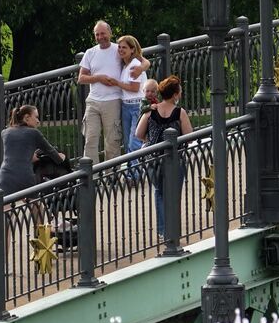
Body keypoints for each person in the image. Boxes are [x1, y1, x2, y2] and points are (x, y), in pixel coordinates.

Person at [135, 76, 193, 236]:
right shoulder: (179, 112)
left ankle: (163, 230)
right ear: (175, 94)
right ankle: (173, 231)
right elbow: (189, 135)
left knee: (159, 192)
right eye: (179, 90)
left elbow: (138, 133)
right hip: (175, 158)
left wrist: (150, 139)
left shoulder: (150, 111)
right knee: (173, 194)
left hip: (154, 159)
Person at [77, 20, 125, 162]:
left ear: (110, 33)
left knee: (112, 141)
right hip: (93, 101)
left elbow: (138, 60)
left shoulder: (119, 50)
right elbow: (81, 78)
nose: (100, 37)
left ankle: (111, 175)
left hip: (113, 100)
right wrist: (98, 78)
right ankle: (92, 175)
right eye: (97, 34)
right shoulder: (90, 53)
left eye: (103, 33)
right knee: (90, 139)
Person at [0, 103, 66, 197]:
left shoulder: (5, 133)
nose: (38, 121)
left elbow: (17, 151)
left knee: (4, 207)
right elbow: (50, 151)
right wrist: (61, 158)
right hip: (24, 176)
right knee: (35, 204)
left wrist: (30, 156)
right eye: (36, 117)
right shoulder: (34, 133)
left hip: (5, 176)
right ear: (27, 117)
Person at [116, 35, 148, 155]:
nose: (121, 50)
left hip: (136, 105)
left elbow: (134, 88)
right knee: (127, 141)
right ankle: (132, 171)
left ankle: (135, 173)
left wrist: (116, 83)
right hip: (126, 106)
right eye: (119, 47)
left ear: (132, 49)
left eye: (124, 47)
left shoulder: (134, 65)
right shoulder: (125, 64)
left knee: (134, 142)